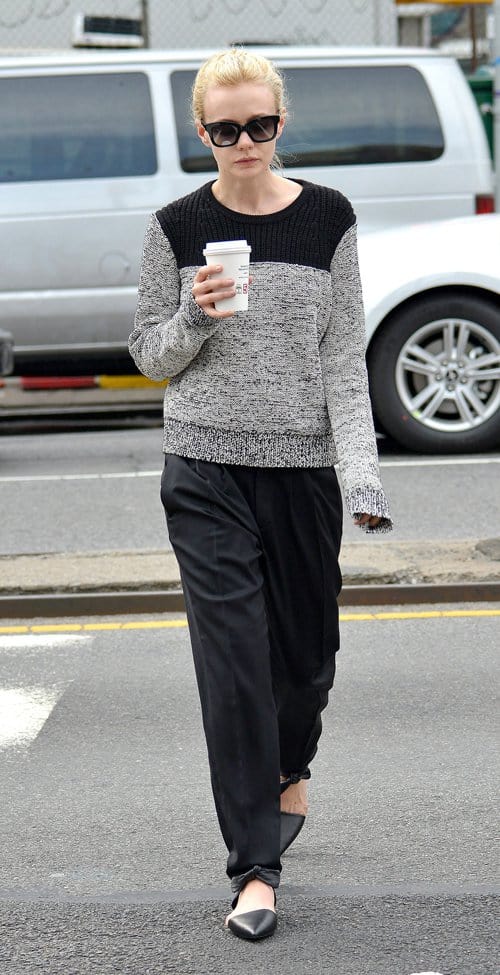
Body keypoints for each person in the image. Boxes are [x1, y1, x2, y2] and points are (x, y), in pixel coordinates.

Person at [129, 47, 392, 942]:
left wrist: (361, 474)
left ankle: (292, 765)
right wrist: (195, 313)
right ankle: (254, 870)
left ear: (283, 125)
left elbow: (341, 359)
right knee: (234, 669)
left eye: (262, 126)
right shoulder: (174, 226)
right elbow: (148, 358)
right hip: (203, 470)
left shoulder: (329, 218)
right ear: (203, 133)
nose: (247, 142)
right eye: (228, 129)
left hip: (302, 471)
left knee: (307, 659)